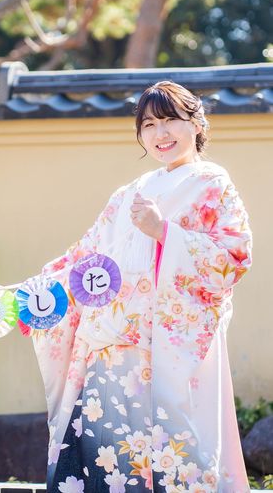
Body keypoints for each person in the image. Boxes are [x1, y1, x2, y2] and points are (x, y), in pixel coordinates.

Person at [33, 81, 252, 492]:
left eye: (170, 120)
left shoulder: (211, 183)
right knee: (104, 457)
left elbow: (233, 258)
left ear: (197, 123)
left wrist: (164, 232)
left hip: (169, 347)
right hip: (111, 345)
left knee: (171, 455)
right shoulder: (128, 194)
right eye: (149, 125)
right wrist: (39, 293)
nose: (160, 134)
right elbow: (85, 257)